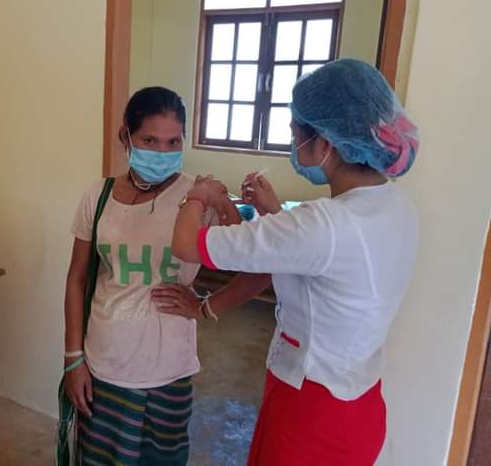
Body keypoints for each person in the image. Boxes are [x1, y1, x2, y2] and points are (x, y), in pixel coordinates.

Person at [155, 59, 420, 465]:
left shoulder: (322, 224)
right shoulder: (395, 207)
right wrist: (274, 214)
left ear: (325, 145)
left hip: (313, 412)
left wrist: (198, 194)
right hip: (359, 401)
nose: (292, 143)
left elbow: (187, 244)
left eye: (296, 133)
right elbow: (318, 258)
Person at [63, 86, 236, 465]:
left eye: (173, 142)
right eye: (149, 140)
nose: (162, 152)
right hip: (104, 362)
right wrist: (73, 359)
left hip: (168, 368)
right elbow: (77, 277)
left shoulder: (197, 197)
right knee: (100, 458)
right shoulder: (99, 195)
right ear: (126, 135)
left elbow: (250, 260)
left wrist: (206, 306)